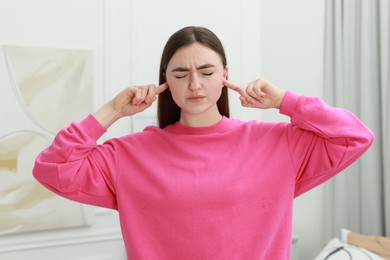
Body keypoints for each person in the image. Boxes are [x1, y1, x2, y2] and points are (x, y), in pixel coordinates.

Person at [33, 26, 375, 260]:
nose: (194, 84)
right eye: (180, 74)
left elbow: (354, 136)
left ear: (225, 75)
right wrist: (111, 110)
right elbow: (52, 168)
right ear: (164, 81)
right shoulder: (130, 154)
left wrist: (285, 101)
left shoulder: (274, 144)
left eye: (207, 72)